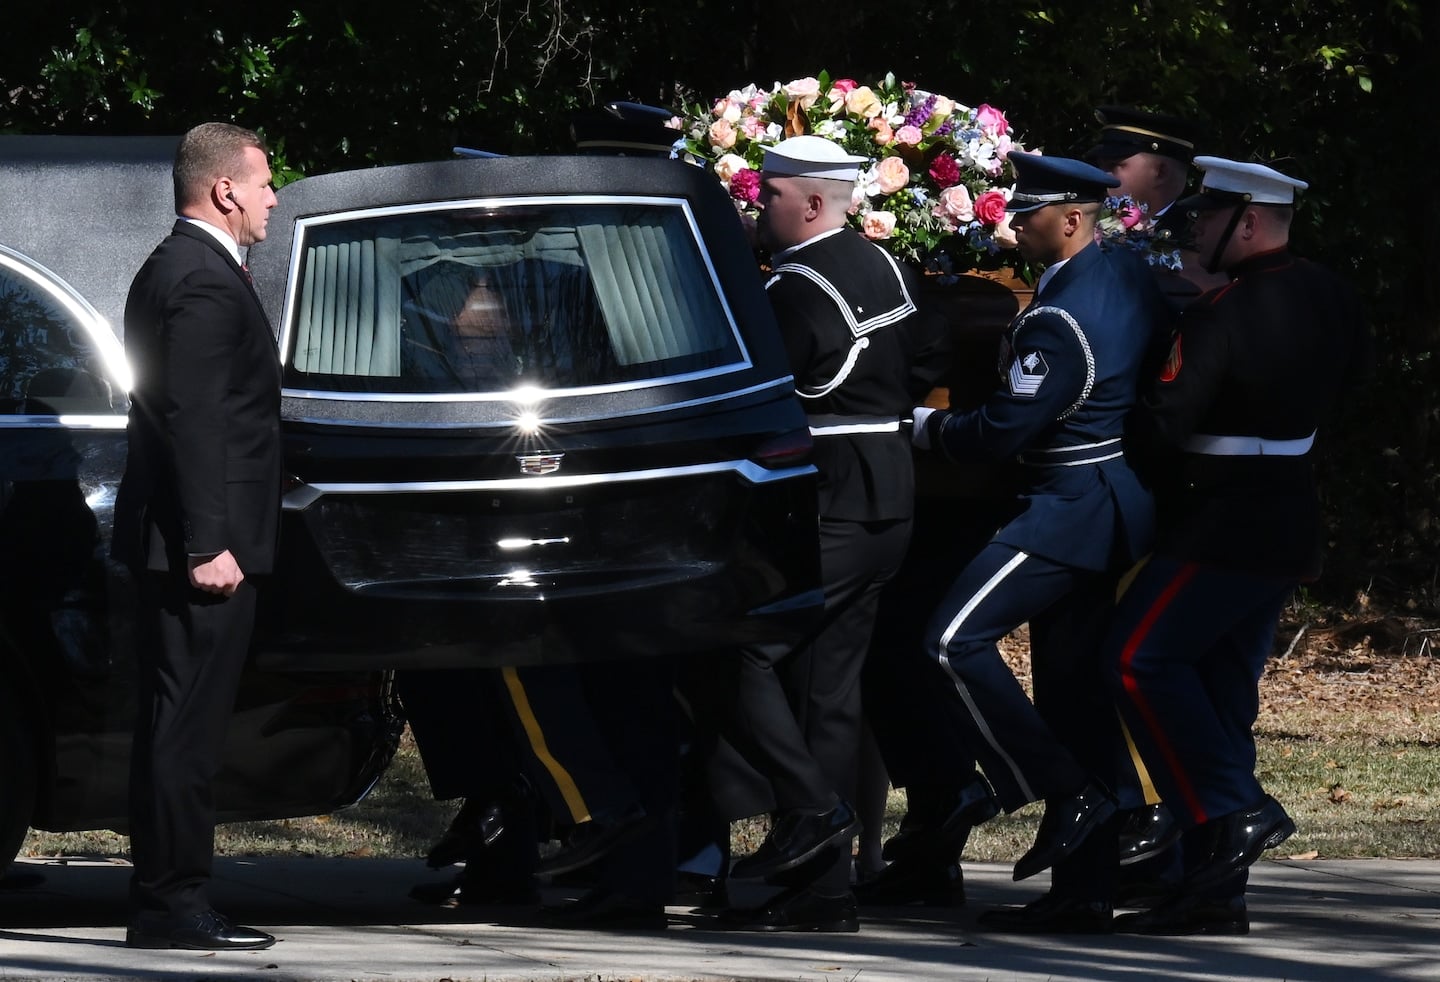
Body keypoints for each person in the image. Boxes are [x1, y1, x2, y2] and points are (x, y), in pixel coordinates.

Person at [909, 151, 1171, 933]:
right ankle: (1083, 891)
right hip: (1114, 499)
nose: (1014, 226)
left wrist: (923, 428)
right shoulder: (1125, 274)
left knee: (951, 641)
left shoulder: (1059, 318)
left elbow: (1000, 432)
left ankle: (1063, 789)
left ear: (1071, 220)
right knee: (1073, 693)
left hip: (1070, 504)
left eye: (1028, 215)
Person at [1105, 156, 1367, 935]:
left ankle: (1237, 809)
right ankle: (1213, 888)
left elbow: (1164, 425)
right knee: (1222, 699)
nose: (1198, 228)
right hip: (1286, 517)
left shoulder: (1222, 310)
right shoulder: (1331, 293)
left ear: (1248, 221)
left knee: (1137, 658)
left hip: (1220, 523)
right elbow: (1356, 382)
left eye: (1212, 216)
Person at [715, 135, 941, 933]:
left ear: (811, 203)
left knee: (738, 647)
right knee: (829, 693)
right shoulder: (887, 267)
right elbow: (929, 356)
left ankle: (811, 811)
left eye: (769, 193)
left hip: (830, 495)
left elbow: (750, 394)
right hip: (888, 496)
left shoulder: (795, 289)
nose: (756, 204)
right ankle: (824, 892)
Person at [110, 122, 280, 950]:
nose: (273, 199)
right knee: (185, 730)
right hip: (201, 550)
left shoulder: (177, 267)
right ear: (225, 189)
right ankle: (173, 903)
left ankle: (166, 897)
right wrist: (209, 544)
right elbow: (195, 419)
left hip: (187, 541)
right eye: (266, 183)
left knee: (174, 723)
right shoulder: (201, 280)